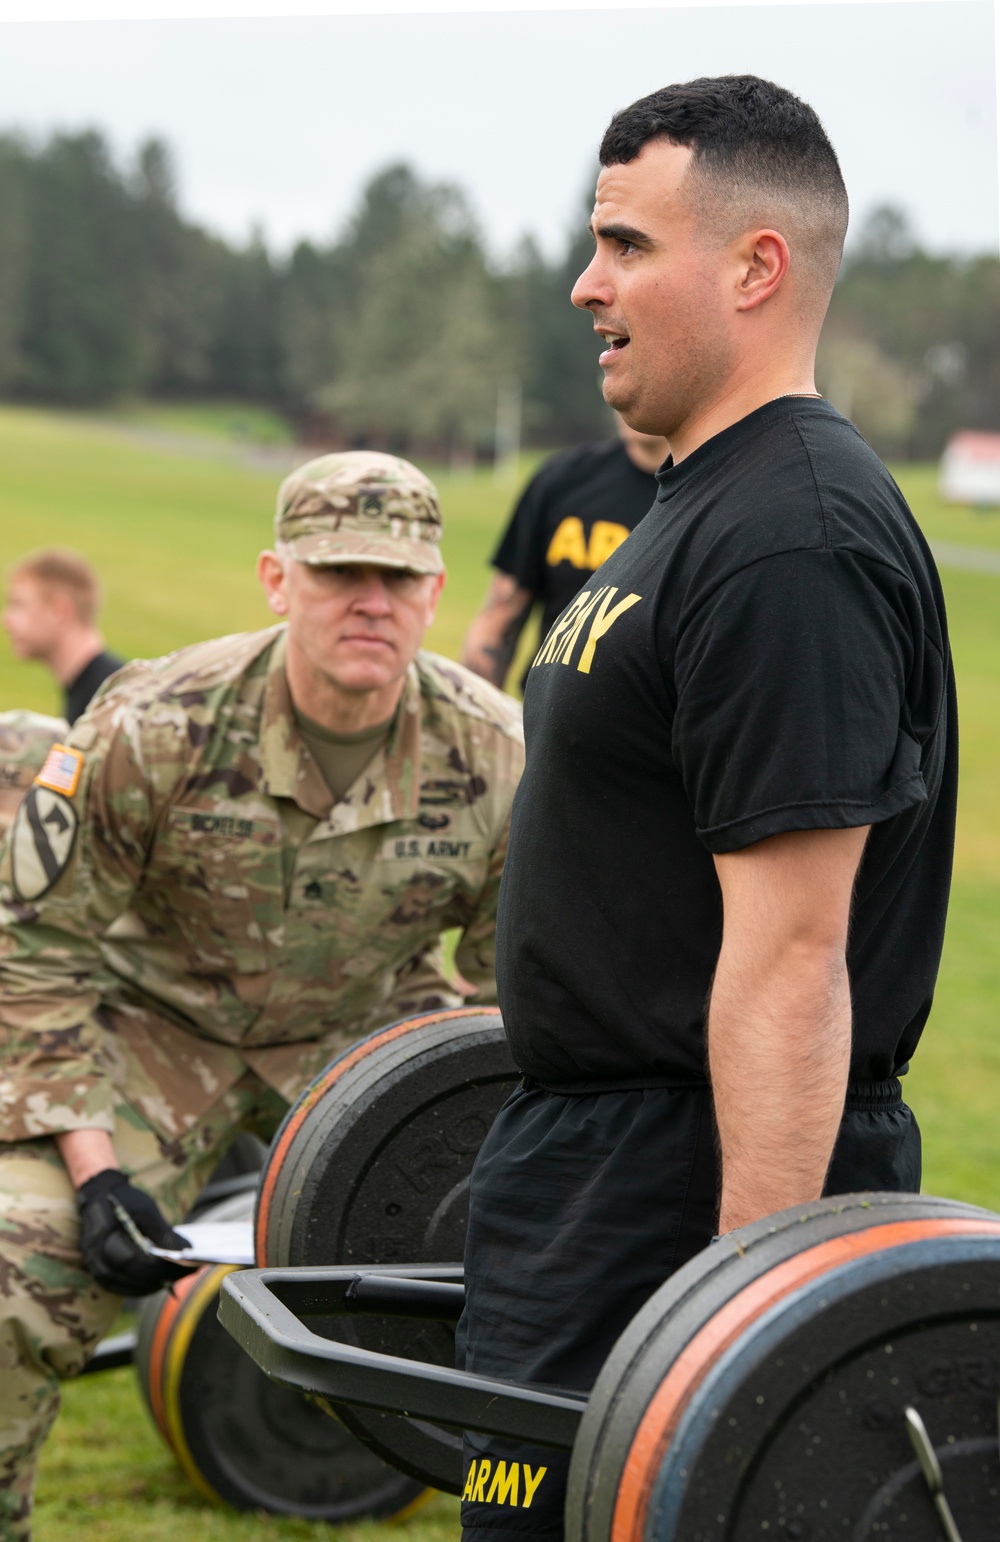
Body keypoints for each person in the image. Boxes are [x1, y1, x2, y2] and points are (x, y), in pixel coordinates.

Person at [457, 76, 956, 1540]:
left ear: (755, 268)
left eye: (624, 244)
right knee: (513, 1514)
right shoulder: (699, 507)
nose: (583, 281)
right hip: (587, 1174)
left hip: (680, 1191)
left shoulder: (788, 536)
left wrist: (747, 1333)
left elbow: (797, 956)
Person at [0, 451, 523, 1540]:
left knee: (531, 1275)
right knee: (13, 1268)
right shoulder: (153, 722)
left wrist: (482, 1169)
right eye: (337, 573)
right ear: (278, 580)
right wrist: (95, 1181)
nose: (369, 602)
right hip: (152, 1030)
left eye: (396, 578)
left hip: (363, 1042)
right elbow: (39, 954)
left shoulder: (500, 755)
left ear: (435, 591)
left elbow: (505, 992)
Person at [460, 416, 668, 690]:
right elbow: (499, 618)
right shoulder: (563, 479)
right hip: (546, 725)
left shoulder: (722, 494)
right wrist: (475, 722)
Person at [2, 549, 125, 724]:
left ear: (59, 612)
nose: (6, 621)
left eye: (19, 604)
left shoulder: (106, 703)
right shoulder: (94, 689)